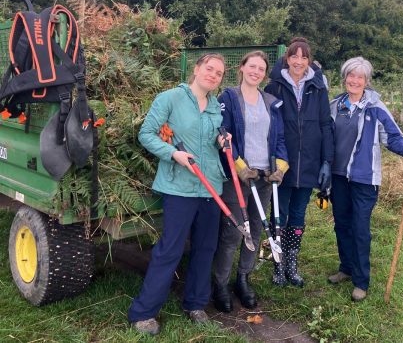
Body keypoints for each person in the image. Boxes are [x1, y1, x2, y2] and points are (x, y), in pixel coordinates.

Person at [128, 53, 228, 335]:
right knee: (169, 249)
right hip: (179, 187)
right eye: (209, 69)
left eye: (219, 73)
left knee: (206, 248)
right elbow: (146, 134)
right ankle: (143, 313)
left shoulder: (215, 106)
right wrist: (174, 154)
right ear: (196, 69)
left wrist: (222, 141)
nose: (213, 75)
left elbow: (211, 142)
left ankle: (195, 304)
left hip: (210, 188)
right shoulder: (170, 98)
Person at [327, 57, 403, 302]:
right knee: (341, 223)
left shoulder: (375, 107)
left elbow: (392, 137)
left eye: (360, 77)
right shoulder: (334, 105)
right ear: (345, 78)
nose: (355, 80)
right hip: (338, 177)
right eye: (351, 75)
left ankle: (361, 281)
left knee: (360, 228)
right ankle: (346, 268)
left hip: (365, 179)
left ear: (366, 81)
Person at [212, 51, 289, 312]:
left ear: (265, 74)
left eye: (261, 69)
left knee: (256, 228)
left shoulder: (271, 102)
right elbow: (222, 134)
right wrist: (239, 165)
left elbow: (279, 138)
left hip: (264, 176)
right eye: (252, 66)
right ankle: (220, 283)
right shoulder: (229, 98)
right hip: (238, 176)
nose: (256, 72)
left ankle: (243, 278)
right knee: (234, 232)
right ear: (242, 68)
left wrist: (281, 164)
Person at [265, 37, 334, 287]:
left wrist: (327, 160)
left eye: (304, 57)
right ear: (287, 58)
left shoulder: (318, 88)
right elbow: (268, 126)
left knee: (297, 214)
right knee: (278, 215)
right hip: (283, 164)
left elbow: (326, 124)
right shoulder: (274, 87)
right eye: (295, 56)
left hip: (309, 163)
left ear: (309, 61)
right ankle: (277, 262)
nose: (299, 61)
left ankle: (292, 262)